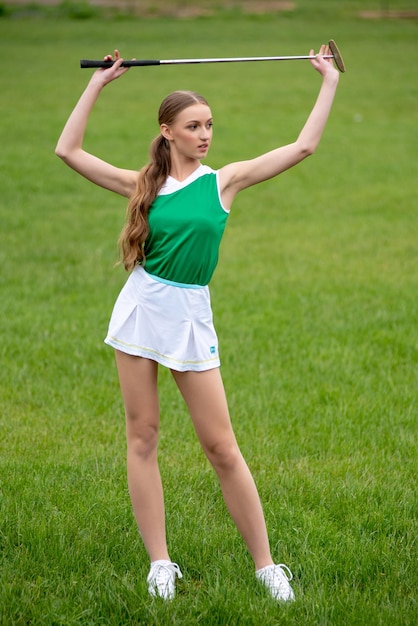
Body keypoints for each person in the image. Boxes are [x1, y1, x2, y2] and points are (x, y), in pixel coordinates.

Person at [55, 44, 339, 602]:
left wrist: (327, 80)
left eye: (209, 124)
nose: (205, 134)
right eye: (193, 125)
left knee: (222, 447)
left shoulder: (224, 181)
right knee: (143, 438)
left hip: (190, 317)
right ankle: (160, 563)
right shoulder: (145, 184)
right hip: (141, 311)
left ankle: (266, 567)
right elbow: (68, 150)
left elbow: (304, 145)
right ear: (168, 132)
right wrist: (99, 84)